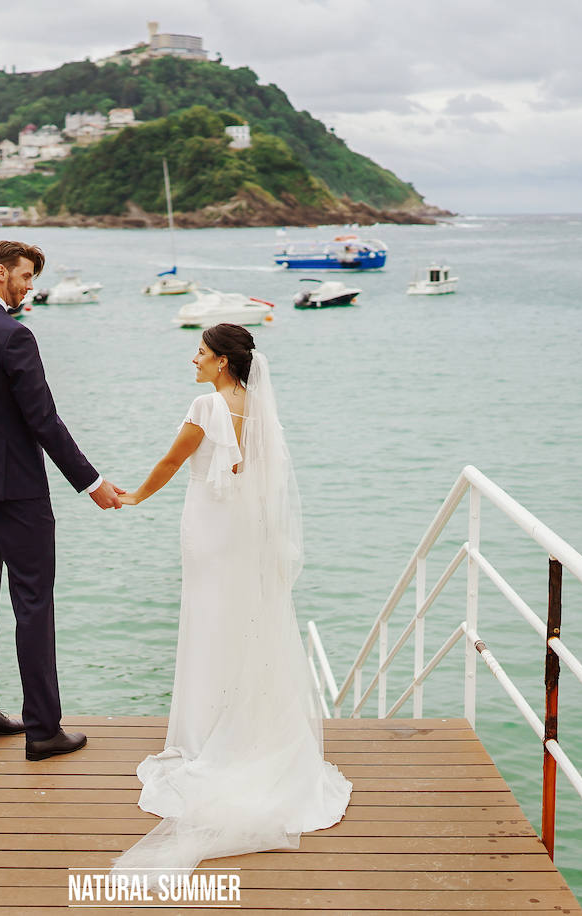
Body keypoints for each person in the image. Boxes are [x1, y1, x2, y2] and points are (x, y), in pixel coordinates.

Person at [111, 323, 352, 875]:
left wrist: (134, 497)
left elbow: (174, 462)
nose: (192, 359)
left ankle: (209, 733)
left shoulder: (206, 405)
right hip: (246, 531)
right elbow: (259, 472)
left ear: (222, 361)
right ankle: (243, 723)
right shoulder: (258, 407)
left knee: (208, 623)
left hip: (211, 529)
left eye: (200, 352)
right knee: (242, 622)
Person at [0, 240, 124, 761]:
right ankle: (42, 729)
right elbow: (43, 420)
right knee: (34, 603)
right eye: (25, 276)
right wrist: (91, 482)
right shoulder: (14, 336)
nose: (29, 287)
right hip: (19, 491)